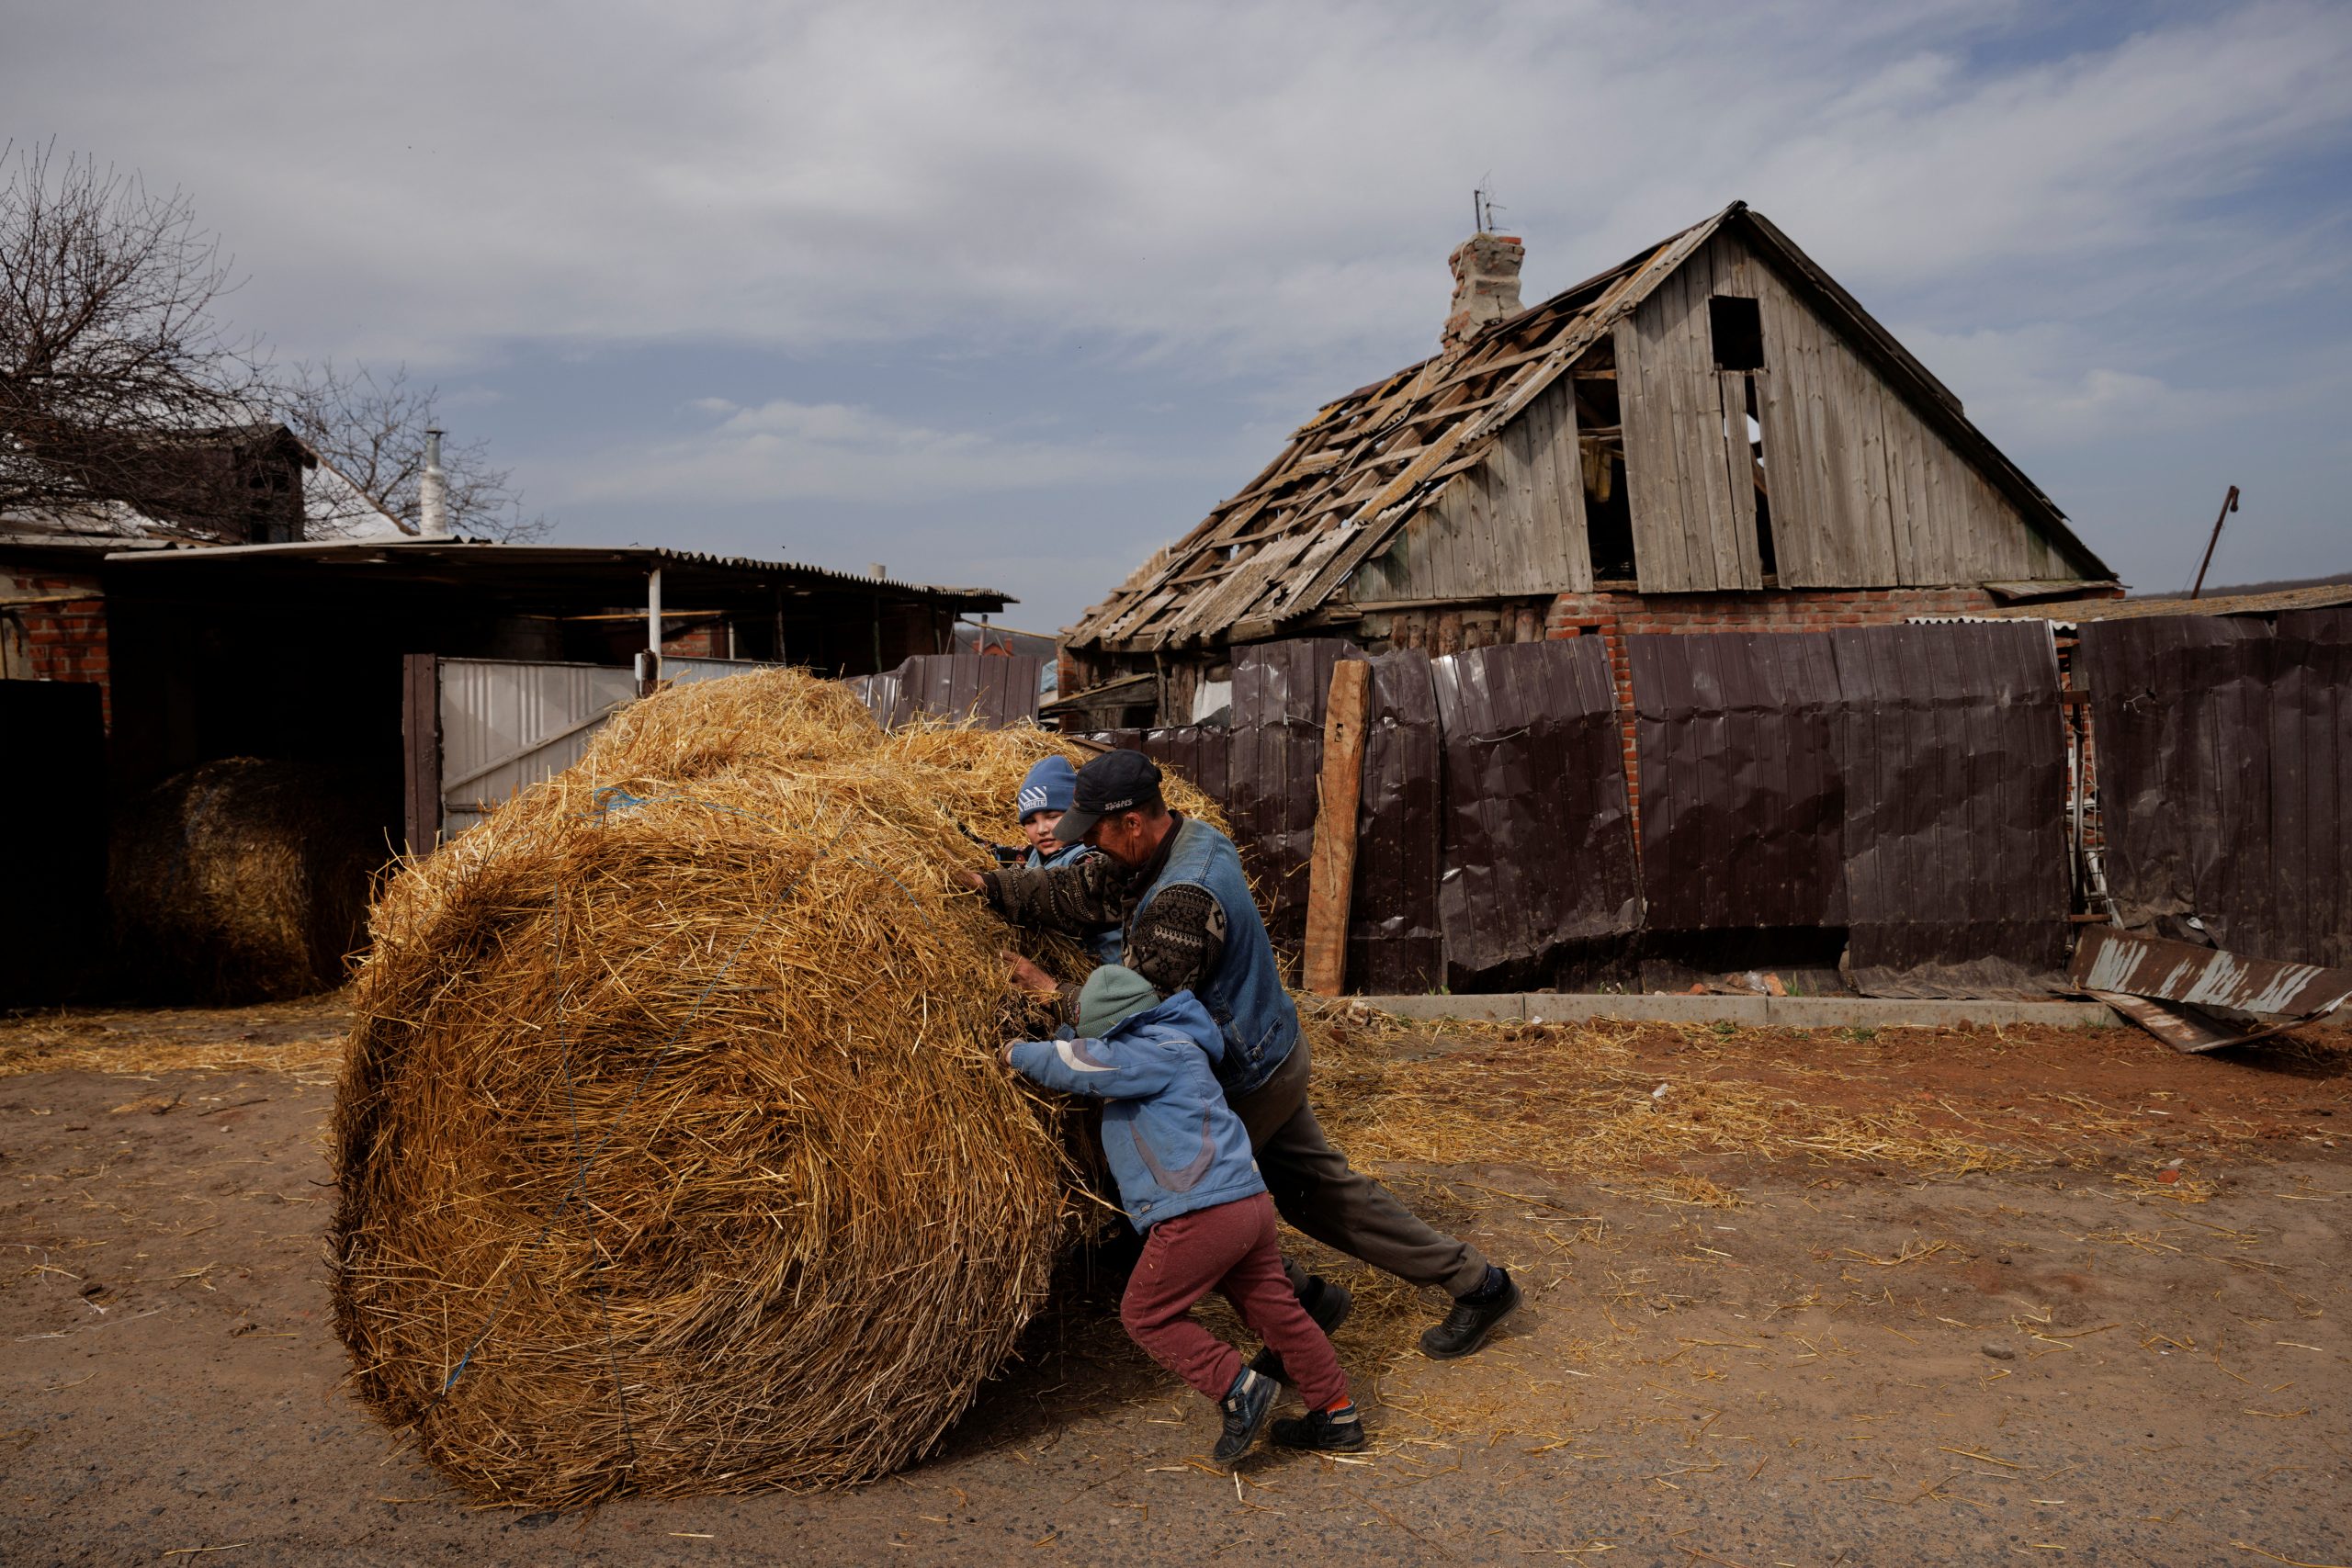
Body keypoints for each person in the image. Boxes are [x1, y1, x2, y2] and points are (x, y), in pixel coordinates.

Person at [965, 748, 1520, 1362]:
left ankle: (1297, 1318)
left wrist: (1047, 991)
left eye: (1093, 830)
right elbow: (1080, 891)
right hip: (1270, 1052)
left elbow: (1134, 1010)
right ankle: (1476, 1282)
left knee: (1190, 1214)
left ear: (1131, 823)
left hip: (1247, 1074)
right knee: (1323, 1195)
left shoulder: (1184, 894)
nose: (1085, 844)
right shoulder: (1179, 840)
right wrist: (991, 886)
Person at [1003, 965, 1364, 1464]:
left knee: (1146, 1315)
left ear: (1119, 1028)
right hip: (1246, 1204)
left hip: (1201, 1211)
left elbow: (1078, 1065)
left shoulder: (1152, 1053)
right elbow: (1094, 1054)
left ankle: (1237, 1387)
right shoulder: (1176, 1041)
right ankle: (1336, 1412)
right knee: (1278, 1312)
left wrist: (1012, 1052)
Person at [1012, 754, 1122, 961]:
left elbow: (1057, 889)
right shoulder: (1039, 853)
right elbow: (1012, 854)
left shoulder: (1089, 858)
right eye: (1030, 821)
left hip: (1100, 972)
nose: (1042, 829)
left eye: (1052, 817)